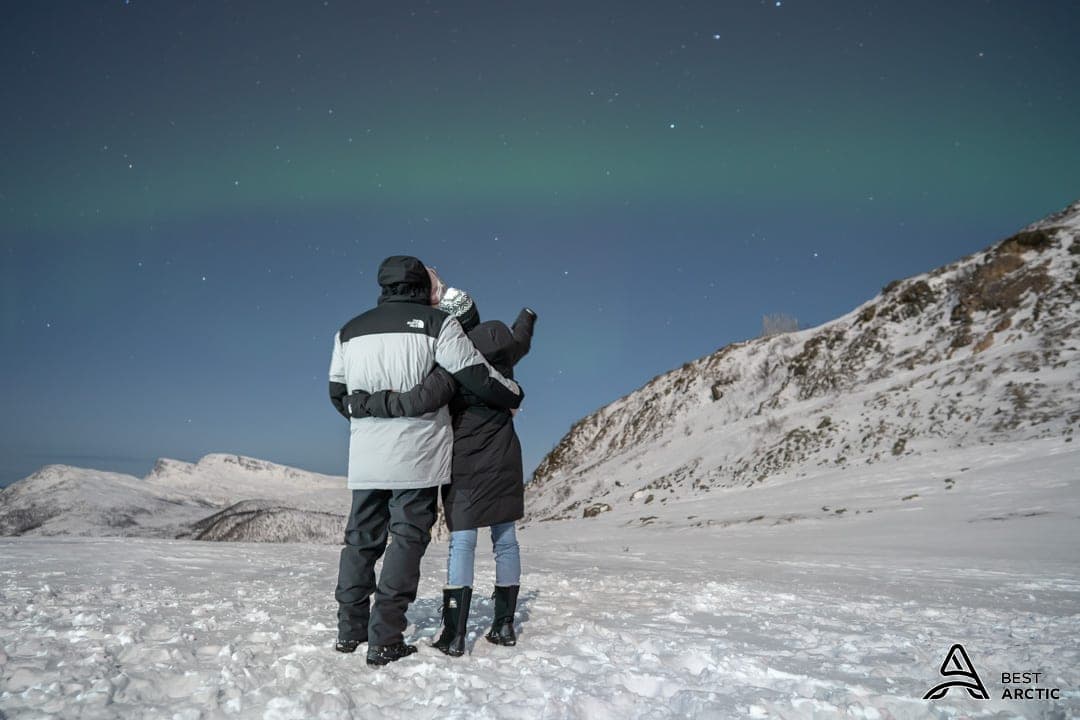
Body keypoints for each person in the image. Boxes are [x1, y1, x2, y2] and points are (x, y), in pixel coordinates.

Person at [328, 256, 524, 666]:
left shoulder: (348, 331)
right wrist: (513, 396)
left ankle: (349, 631)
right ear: (422, 287)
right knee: (406, 540)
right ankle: (384, 638)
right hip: (417, 455)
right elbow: (476, 376)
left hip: (366, 454)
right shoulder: (439, 325)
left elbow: (338, 395)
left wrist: (370, 409)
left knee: (360, 540)